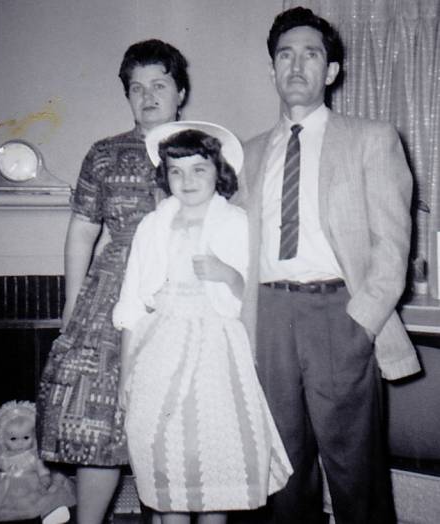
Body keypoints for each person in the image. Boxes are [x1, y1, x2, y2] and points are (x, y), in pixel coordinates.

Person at [237, 6, 421, 524]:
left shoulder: (372, 138)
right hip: (267, 318)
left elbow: (392, 246)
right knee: (282, 468)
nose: (296, 66)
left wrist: (361, 322)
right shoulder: (248, 154)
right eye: (285, 55)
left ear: (332, 70)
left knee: (354, 469)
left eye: (311, 55)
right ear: (272, 69)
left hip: (339, 312)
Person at [36, 39, 190, 524]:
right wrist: (72, 303)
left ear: (180, 93)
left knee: (172, 426)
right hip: (111, 295)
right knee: (97, 423)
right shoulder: (104, 153)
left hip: (181, 293)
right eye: (137, 88)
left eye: (159, 85)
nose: (148, 96)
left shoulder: (203, 150)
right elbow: (83, 229)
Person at [112, 121, 293, 524]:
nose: (187, 180)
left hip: (217, 349)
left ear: (218, 171)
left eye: (198, 169)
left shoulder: (237, 222)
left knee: (212, 458)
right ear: (165, 176)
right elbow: (131, 304)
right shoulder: (152, 226)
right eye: (176, 171)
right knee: (165, 456)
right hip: (160, 347)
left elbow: (253, 297)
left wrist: (227, 274)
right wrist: (126, 374)